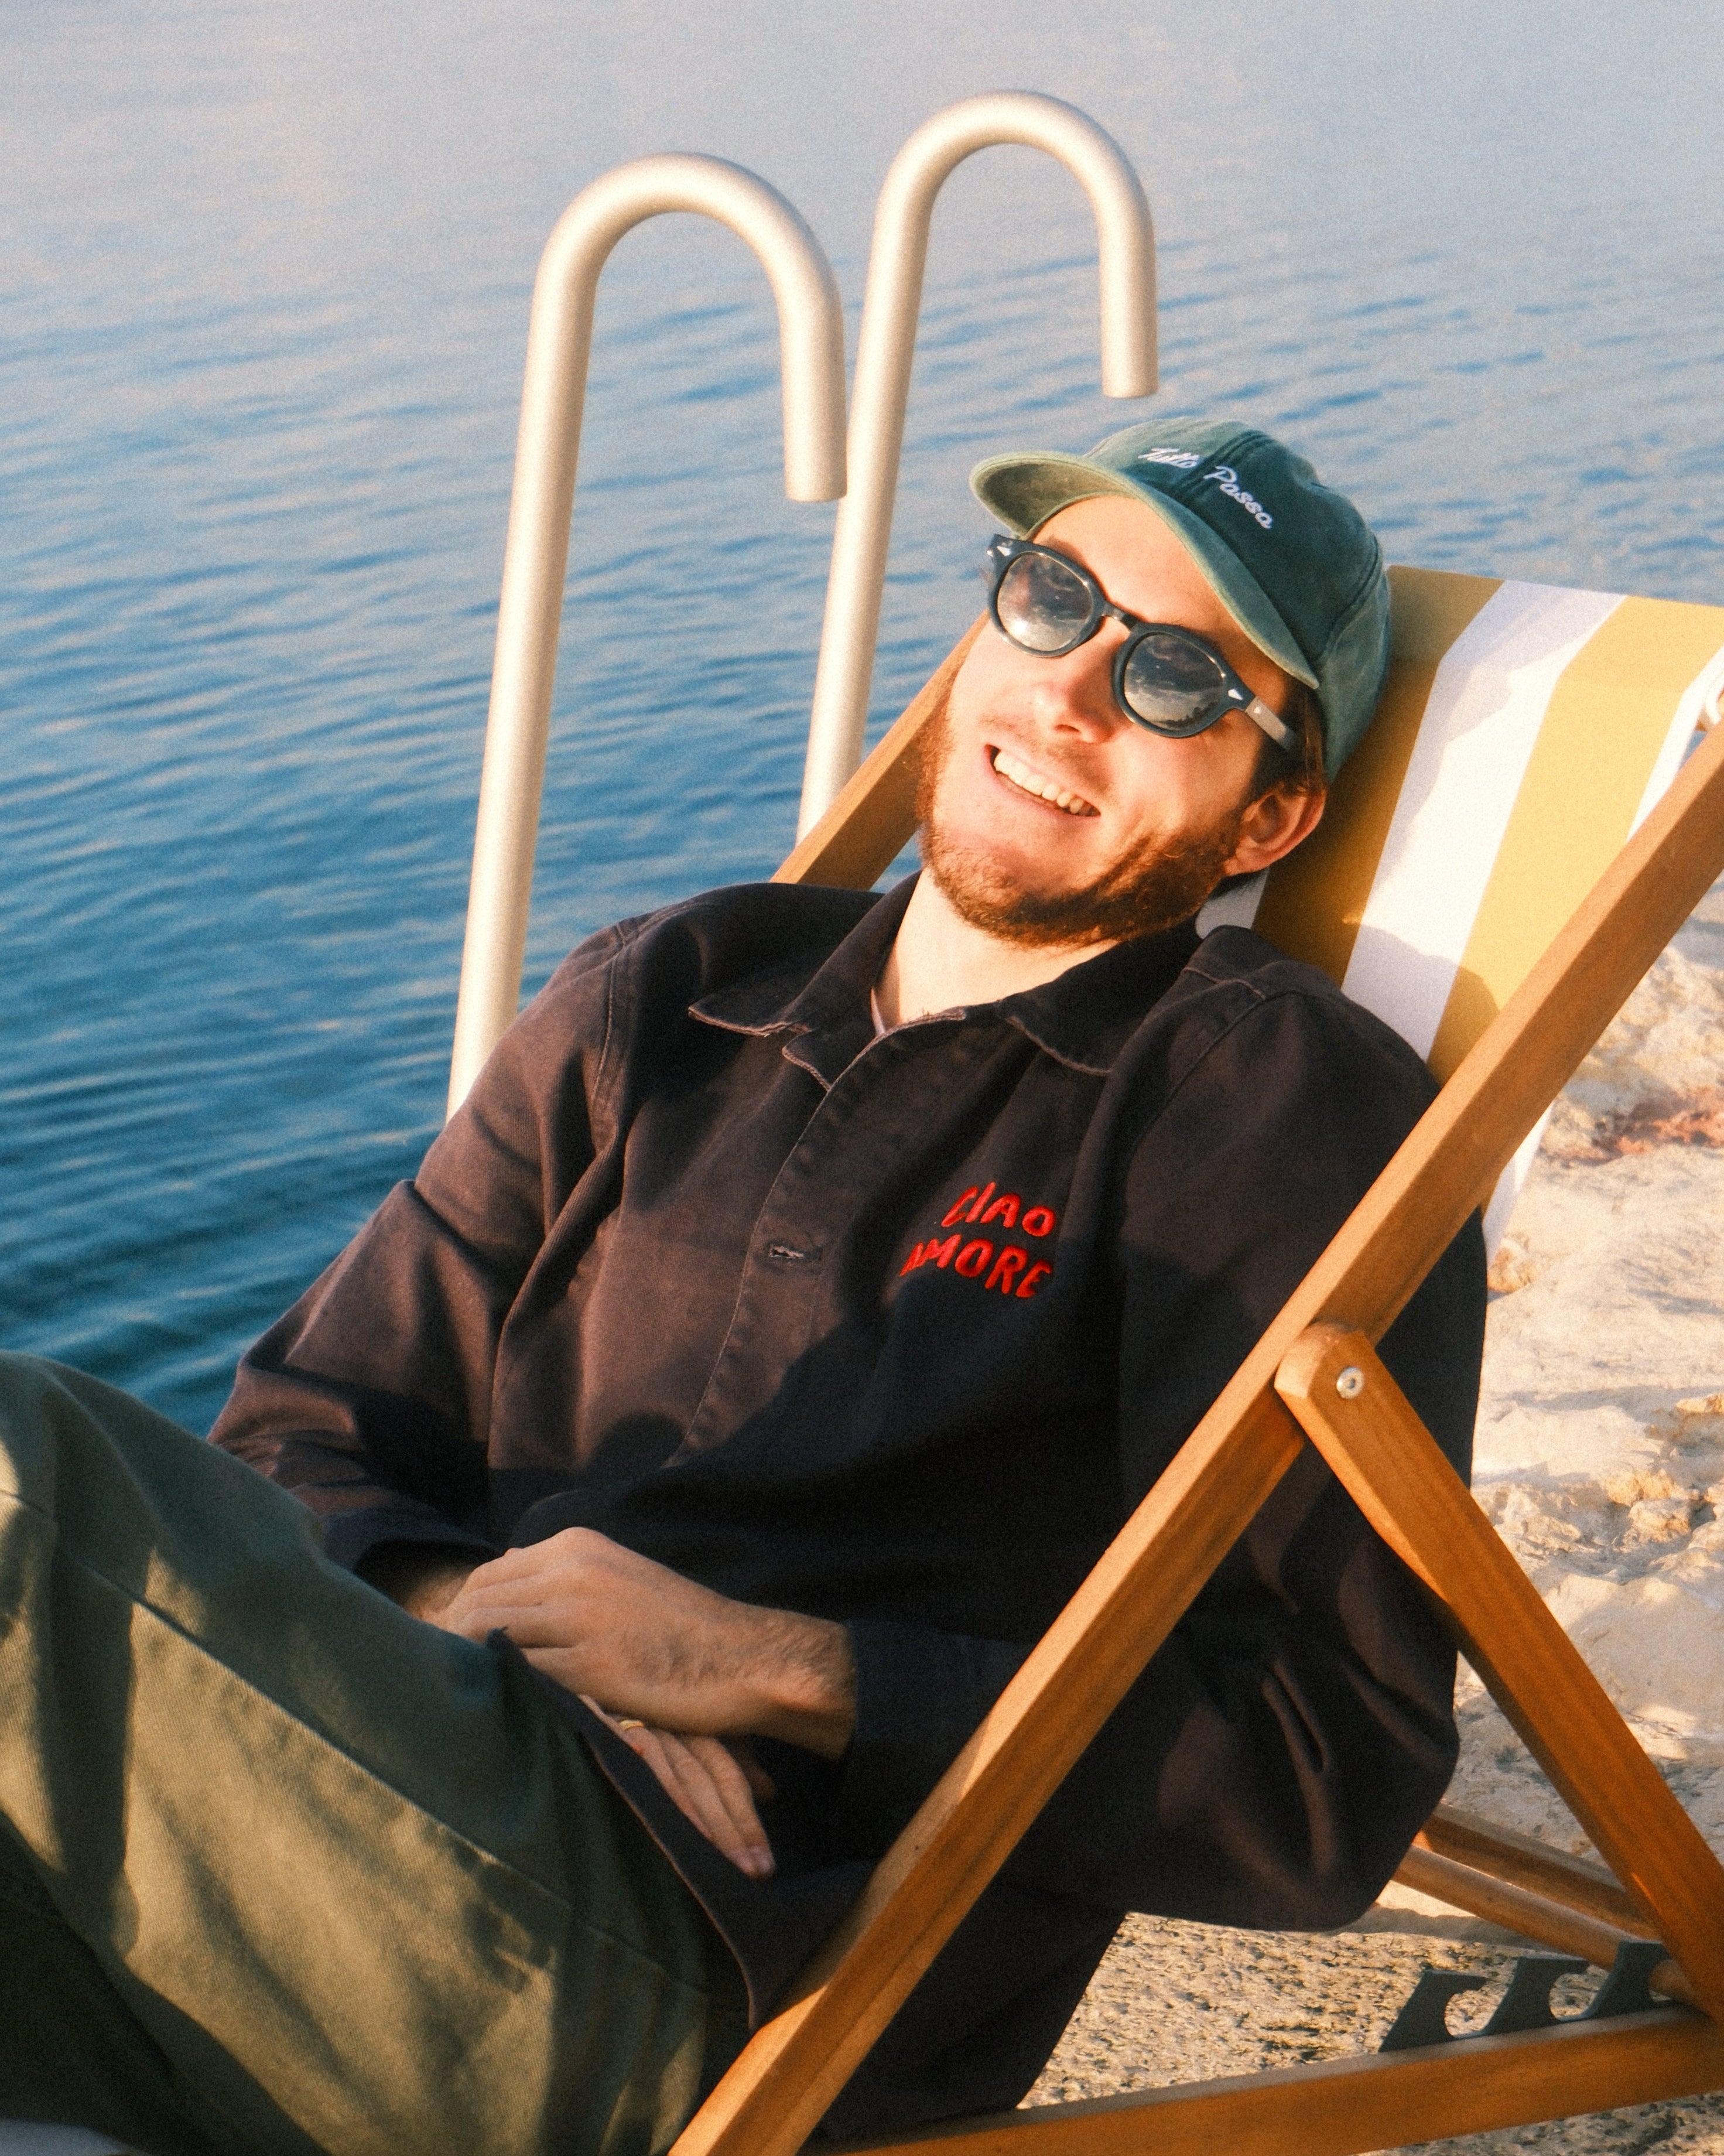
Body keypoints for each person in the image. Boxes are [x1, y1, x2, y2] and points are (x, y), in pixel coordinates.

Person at [0, 418, 1486, 2156]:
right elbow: (300, 1436)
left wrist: (772, 1665)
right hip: (372, 1817)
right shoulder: (669, 991)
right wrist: (477, 1604)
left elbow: (1323, 1771)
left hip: (686, 1975)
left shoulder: (1256, 1104)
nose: (1075, 691)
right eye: (1054, 598)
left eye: (1175, 680)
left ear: (1274, 815)